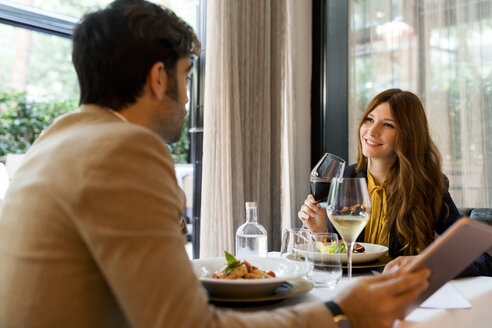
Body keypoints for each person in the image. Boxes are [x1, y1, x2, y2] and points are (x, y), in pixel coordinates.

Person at [0, 1, 431, 327]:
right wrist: (341, 312)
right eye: (187, 76)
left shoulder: (57, 139)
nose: (188, 97)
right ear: (157, 78)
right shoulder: (122, 148)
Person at [298, 88, 492, 277]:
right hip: (351, 293)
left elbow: (482, 259)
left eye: (388, 125)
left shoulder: (428, 186)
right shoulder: (345, 179)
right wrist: (320, 232)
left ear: (408, 135)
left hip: (400, 297)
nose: (372, 131)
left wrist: (424, 262)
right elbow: (338, 261)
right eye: (370, 119)